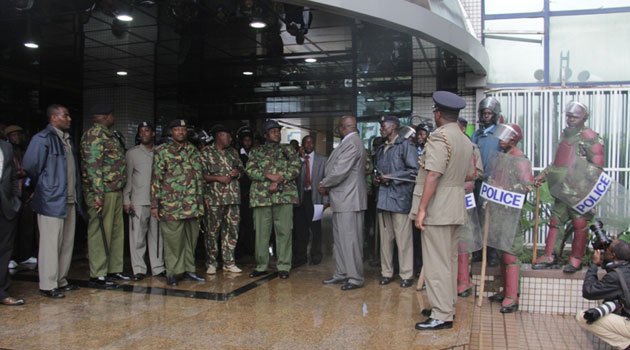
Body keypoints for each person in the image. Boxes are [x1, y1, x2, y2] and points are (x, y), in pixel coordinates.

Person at [411, 91, 473, 330]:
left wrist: (422, 209)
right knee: (449, 260)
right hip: (456, 205)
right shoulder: (464, 139)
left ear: (437, 114)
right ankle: (447, 306)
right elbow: (469, 173)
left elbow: (434, 174)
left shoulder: (440, 138)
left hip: (438, 208)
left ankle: (441, 315)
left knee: (436, 262)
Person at [533, 101, 605, 273]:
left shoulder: (589, 136)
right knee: (555, 222)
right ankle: (550, 255)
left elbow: (597, 166)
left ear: (584, 117)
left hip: (579, 192)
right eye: (569, 116)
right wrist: (543, 174)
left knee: (580, 222)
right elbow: (559, 161)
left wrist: (581, 183)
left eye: (575, 117)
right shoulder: (565, 135)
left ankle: (576, 259)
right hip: (560, 189)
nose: (571, 119)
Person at [22, 105, 83, 298]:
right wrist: (43, 187)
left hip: (69, 199)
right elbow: (31, 166)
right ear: (54, 117)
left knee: (66, 243)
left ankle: (61, 280)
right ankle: (48, 284)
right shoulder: (42, 139)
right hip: (51, 199)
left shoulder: (66, 140)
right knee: (50, 243)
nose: (69, 119)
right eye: (66, 115)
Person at [151, 119, 206, 286]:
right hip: (172, 205)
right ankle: (172, 272)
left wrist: (201, 200)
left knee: (191, 240)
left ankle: (189, 270)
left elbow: (199, 178)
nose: (180, 132)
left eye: (183, 129)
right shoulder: (163, 151)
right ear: (171, 132)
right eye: (177, 129)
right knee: (173, 241)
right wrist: (154, 204)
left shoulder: (194, 151)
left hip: (193, 204)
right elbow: (156, 179)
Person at [486, 124, 534, 313]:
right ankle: (504, 290)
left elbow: (527, 186)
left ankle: (512, 296)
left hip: (511, 213)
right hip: (499, 211)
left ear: (514, 139)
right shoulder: (502, 157)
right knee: (500, 251)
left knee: (510, 253)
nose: (500, 140)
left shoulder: (519, 159)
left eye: (504, 137)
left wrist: (503, 189)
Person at [81, 104, 129, 288]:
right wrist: (98, 194)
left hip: (114, 190)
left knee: (116, 231)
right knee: (100, 231)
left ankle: (114, 269)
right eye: (111, 115)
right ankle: (98, 273)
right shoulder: (94, 135)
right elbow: (93, 167)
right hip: (102, 192)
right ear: (105, 116)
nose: (113, 118)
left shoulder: (110, 134)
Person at [245, 120, 300, 279]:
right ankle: (261, 266)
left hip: (284, 196)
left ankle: (284, 266)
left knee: (284, 232)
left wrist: (279, 180)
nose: (276, 133)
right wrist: (268, 176)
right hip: (262, 198)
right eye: (273, 131)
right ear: (265, 135)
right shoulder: (256, 151)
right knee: (261, 234)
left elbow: (296, 167)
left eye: (278, 131)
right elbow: (250, 170)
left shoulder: (288, 149)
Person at [319, 115, 367, 291]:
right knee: (340, 240)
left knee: (351, 241)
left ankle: (355, 277)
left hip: (350, 199)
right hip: (342, 199)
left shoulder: (353, 143)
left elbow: (340, 171)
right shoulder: (349, 142)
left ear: (342, 127)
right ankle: (341, 273)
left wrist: (324, 183)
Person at [373, 115, 418, 288]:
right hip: (384, 200)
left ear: (394, 127)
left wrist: (392, 177)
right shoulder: (381, 148)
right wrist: (377, 179)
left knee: (403, 239)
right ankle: (387, 273)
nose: (381, 129)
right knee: (386, 240)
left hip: (400, 200)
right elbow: (378, 170)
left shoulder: (406, 146)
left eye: (383, 126)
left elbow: (414, 172)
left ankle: (406, 274)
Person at [122, 122, 165, 281]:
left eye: (147, 131)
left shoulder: (160, 152)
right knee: (137, 237)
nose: (144, 134)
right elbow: (127, 178)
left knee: (157, 237)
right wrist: (126, 200)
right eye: (141, 131)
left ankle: (158, 267)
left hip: (157, 201)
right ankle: (139, 269)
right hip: (138, 201)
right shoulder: (132, 153)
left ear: (153, 133)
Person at [201, 124, 243, 275]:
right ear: (219, 136)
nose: (231, 139)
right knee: (212, 232)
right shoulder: (206, 153)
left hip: (232, 198)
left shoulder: (233, 152)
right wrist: (218, 178)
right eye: (228, 136)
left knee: (232, 231)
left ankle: (229, 262)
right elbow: (201, 176)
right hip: (214, 199)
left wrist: (236, 173)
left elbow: (242, 171)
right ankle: (211, 262)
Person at [576, 239, 630, 349]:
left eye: (608, 250)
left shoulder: (615, 276)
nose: (606, 251)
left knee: (583, 317)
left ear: (613, 255)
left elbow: (589, 291)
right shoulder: (624, 268)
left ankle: (626, 344)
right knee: (605, 298)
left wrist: (594, 265)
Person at [471, 97, 503, 267]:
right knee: (475, 218)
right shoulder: (475, 135)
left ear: (495, 115)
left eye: (489, 113)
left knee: (490, 219)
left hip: (492, 184)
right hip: (475, 183)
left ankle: (491, 254)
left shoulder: (500, 134)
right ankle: (477, 252)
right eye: (484, 113)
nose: (486, 116)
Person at [456, 117, 483, 297]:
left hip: (465, 196)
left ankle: (465, 281)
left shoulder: (472, 148)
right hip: (448, 197)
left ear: (464, 129)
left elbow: (479, 172)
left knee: (464, 239)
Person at [5, 125, 37, 268]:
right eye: (13, 135)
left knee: (27, 224)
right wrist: (23, 172)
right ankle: (11, 256)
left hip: (26, 190)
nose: (17, 137)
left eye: (19, 134)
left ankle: (24, 255)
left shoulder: (24, 150)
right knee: (12, 227)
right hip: (13, 193)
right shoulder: (7, 151)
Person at [293, 135, 328, 266]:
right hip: (301, 198)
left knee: (316, 229)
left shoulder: (323, 160)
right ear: (302, 145)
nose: (308, 145)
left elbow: (327, 179)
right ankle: (301, 256)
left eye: (311, 142)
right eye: (306, 143)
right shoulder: (297, 160)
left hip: (316, 198)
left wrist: (326, 200)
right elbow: (295, 176)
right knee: (301, 229)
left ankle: (316, 255)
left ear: (314, 144)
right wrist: (300, 158)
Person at [0, 138, 23, 305]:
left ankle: (2, 292)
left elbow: (13, 175)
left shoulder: (6, 147)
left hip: (6, 206)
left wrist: (15, 199)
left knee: (4, 250)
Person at [235, 126, 255, 258]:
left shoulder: (255, 153)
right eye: (245, 140)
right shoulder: (236, 154)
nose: (247, 143)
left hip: (253, 192)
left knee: (251, 222)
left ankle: (250, 247)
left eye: (249, 140)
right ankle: (240, 249)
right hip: (240, 192)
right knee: (240, 222)